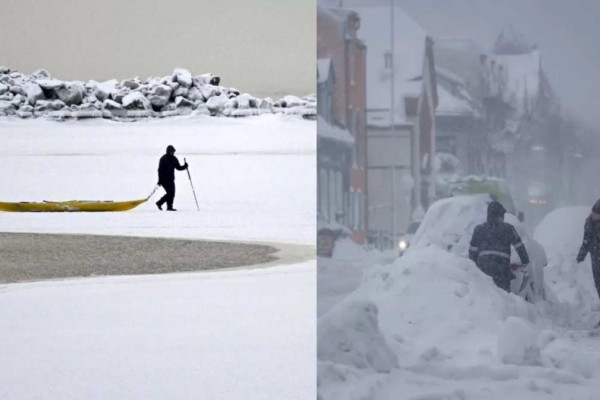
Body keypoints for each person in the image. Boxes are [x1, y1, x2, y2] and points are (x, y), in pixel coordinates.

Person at [469, 201, 530, 292]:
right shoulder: (508, 229)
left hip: (483, 267)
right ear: (500, 216)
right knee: (504, 296)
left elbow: (472, 251)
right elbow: (519, 247)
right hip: (502, 268)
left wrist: (474, 267)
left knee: (484, 293)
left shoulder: (479, 229)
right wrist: (526, 262)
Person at [576, 200, 600, 302]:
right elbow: (586, 240)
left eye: (596, 213)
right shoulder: (589, 222)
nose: (593, 214)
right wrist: (581, 256)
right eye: (593, 212)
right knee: (598, 285)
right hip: (595, 259)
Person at [156, 145, 188, 211]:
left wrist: (185, 166)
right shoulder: (163, 159)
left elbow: (178, 167)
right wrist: (160, 180)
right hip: (164, 180)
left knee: (172, 194)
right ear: (168, 151)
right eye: (172, 151)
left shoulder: (174, 159)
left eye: (173, 152)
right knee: (170, 193)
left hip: (171, 180)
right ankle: (159, 203)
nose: (173, 153)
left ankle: (169, 207)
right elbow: (160, 170)